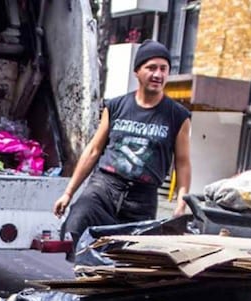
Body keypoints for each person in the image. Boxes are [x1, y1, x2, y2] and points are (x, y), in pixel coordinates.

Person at [53, 39, 192, 254]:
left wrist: (181, 202)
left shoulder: (177, 115)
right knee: (77, 222)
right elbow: (93, 150)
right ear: (137, 71)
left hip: (142, 199)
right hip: (105, 188)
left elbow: (182, 163)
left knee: (128, 258)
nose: (158, 74)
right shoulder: (116, 106)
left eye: (163, 69)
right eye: (151, 67)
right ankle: (81, 278)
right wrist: (68, 193)